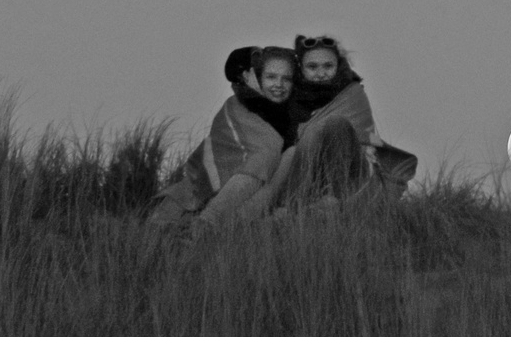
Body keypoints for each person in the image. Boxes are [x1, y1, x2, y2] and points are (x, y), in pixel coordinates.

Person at [227, 34, 417, 219]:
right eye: (312, 67)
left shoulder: (351, 93)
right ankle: (284, 208)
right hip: (298, 173)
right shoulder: (291, 94)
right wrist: (253, 89)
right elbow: (266, 119)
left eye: (328, 66)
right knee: (286, 152)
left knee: (333, 124)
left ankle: (328, 199)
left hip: (347, 170)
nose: (320, 73)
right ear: (301, 68)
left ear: (338, 65)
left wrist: (370, 143)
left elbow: (367, 134)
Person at [147, 46, 299, 226]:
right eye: (270, 76)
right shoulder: (238, 106)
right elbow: (263, 148)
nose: (279, 84)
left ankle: (225, 224)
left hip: (249, 205)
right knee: (266, 154)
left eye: (286, 79)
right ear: (252, 77)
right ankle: (207, 222)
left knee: (289, 156)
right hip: (191, 198)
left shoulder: (292, 113)